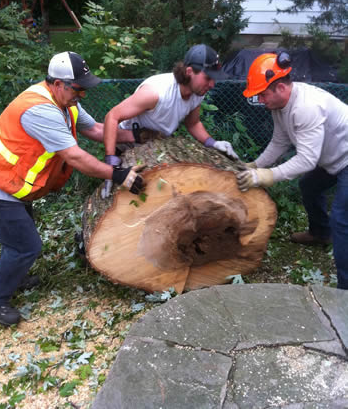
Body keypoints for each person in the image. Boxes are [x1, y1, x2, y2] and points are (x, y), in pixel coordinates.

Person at [0, 51, 145, 326]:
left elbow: (96, 130)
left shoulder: (65, 103)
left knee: (17, 238)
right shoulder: (41, 110)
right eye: (78, 89)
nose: (82, 95)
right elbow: (74, 157)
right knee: (26, 246)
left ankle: (13, 275)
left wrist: (135, 136)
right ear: (58, 83)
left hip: (8, 183)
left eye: (84, 89)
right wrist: (118, 174)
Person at [236, 52, 348, 290]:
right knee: (309, 186)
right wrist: (256, 165)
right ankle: (320, 233)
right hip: (334, 159)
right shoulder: (280, 107)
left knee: (341, 218)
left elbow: (307, 160)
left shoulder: (306, 107)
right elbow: (279, 142)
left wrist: (267, 176)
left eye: (263, 94)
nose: (261, 100)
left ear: (279, 87)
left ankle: (345, 290)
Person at [102, 44, 238, 195]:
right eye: (208, 78)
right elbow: (112, 116)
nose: (212, 84)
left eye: (214, 79)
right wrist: (111, 164)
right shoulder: (156, 93)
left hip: (154, 148)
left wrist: (213, 143)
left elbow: (193, 124)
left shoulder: (197, 93)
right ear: (189, 71)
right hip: (125, 150)